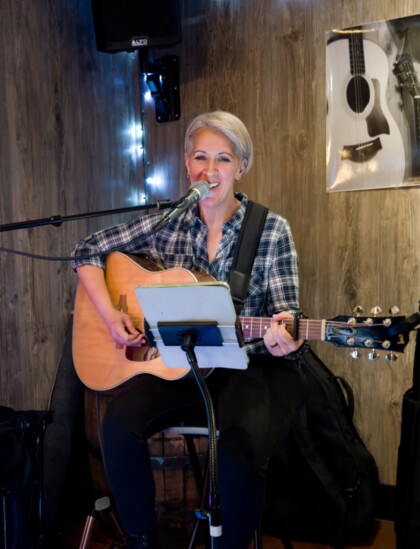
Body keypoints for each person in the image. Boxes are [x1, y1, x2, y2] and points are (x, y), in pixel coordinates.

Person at [72, 111, 307, 549]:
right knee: (118, 424)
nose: (210, 170)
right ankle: (142, 540)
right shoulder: (169, 223)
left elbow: (286, 317)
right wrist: (111, 317)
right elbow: (86, 251)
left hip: (249, 368)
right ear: (186, 163)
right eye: (201, 157)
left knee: (237, 454)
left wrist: (284, 336)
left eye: (223, 159)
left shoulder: (271, 230)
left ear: (241, 167)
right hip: (184, 366)